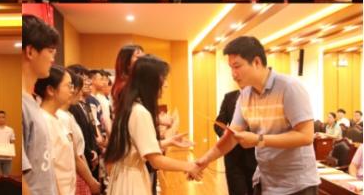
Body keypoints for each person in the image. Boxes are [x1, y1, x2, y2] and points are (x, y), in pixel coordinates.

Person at [194, 36, 319, 194]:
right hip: (265, 181)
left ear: (257, 62)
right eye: (231, 68)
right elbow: (231, 136)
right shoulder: (245, 94)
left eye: (237, 66)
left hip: (297, 185)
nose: (233, 74)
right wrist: (205, 160)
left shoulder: (289, 87)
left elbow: (306, 136)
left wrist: (259, 140)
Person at [104, 56, 201, 194]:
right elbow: (156, 160)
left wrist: (169, 141)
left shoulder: (130, 107)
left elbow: (136, 147)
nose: (166, 85)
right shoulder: (140, 112)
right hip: (132, 180)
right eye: (163, 79)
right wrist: (189, 166)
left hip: (124, 176)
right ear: (150, 82)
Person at [36, 66, 100, 195]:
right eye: (68, 86)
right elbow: (49, 169)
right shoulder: (42, 121)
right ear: (51, 90)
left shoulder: (61, 118)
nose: (72, 90)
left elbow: (74, 156)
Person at [23, 14, 60, 194]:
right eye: (50, 51)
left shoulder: (31, 101)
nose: (53, 59)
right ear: (30, 51)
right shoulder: (22, 105)